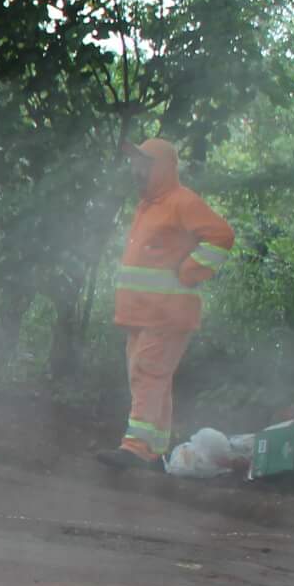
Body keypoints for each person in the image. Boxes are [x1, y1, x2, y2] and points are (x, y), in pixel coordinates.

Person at [101, 137, 234, 471]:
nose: (137, 170)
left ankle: (135, 449)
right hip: (142, 314)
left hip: (166, 314)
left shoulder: (181, 202)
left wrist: (192, 270)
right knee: (146, 377)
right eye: (135, 163)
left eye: (144, 164)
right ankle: (154, 449)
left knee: (148, 374)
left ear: (161, 168)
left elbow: (222, 235)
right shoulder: (148, 206)